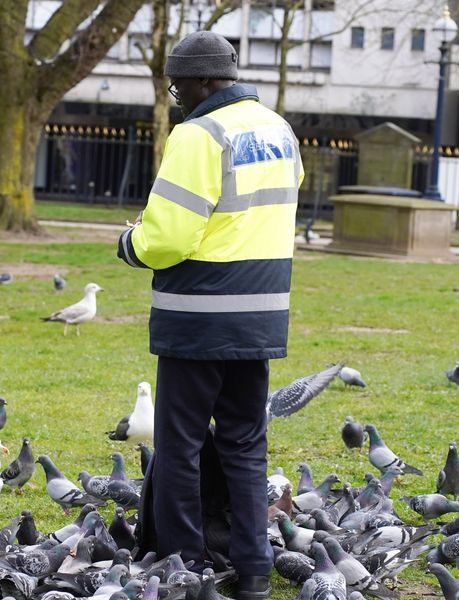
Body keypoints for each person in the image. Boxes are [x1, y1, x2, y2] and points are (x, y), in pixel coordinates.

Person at [115, 31, 302, 600]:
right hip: (260, 317)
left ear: (200, 81)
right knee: (247, 446)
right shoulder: (278, 129)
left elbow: (169, 236)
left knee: (180, 446)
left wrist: (130, 242)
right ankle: (253, 571)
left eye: (177, 86)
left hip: (198, 317)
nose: (176, 96)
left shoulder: (199, 134)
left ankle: (184, 568)